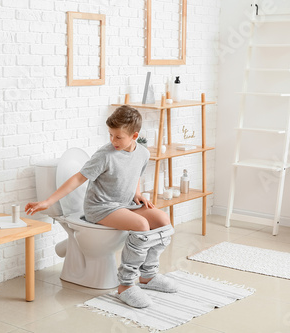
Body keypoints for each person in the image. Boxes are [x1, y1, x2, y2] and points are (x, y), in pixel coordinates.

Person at [25, 105, 177, 308]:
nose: (113, 141)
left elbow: (136, 175)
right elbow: (78, 178)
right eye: (111, 135)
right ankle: (125, 285)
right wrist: (47, 202)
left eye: (118, 137)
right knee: (141, 225)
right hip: (100, 207)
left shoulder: (143, 153)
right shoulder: (104, 155)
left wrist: (137, 194)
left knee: (163, 221)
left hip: (124, 204)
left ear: (134, 135)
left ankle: (148, 275)